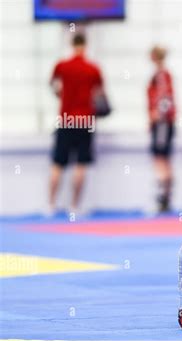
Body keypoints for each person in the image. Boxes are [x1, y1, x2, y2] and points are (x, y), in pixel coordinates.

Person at [49, 33, 104, 216]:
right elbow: (99, 94)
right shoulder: (92, 69)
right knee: (80, 164)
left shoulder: (62, 66)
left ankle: (51, 206)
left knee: (58, 163)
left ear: (71, 44)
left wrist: (62, 96)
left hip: (66, 119)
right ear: (85, 45)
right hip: (85, 120)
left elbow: (53, 86)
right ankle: (74, 207)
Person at [147, 46, 176, 213]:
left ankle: (163, 200)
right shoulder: (160, 75)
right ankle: (164, 199)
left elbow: (167, 99)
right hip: (162, 123)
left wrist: (158, 114)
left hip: (162, 124)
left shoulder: (162, 75)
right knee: (163, 160)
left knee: (160, 160)